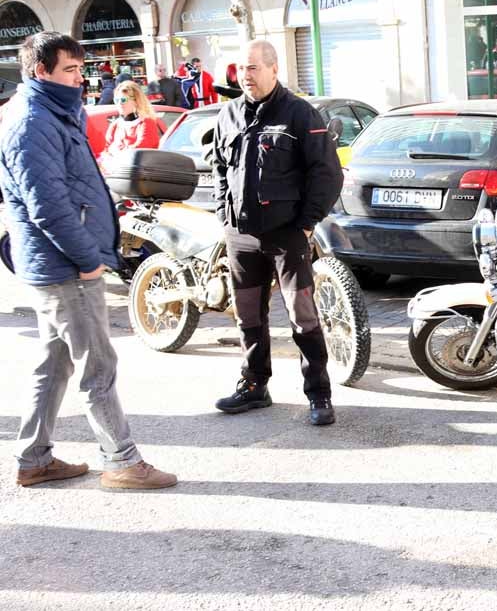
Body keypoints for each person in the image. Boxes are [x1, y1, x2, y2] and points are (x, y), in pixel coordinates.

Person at [0, 32, 176, 489]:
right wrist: (86, 259)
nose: (81, 79)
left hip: (57, 264)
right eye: (70, 70)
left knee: (54, 363)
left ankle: (33, 458)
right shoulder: (32, 121)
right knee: (97, 366)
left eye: (81, 69)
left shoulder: (51, 112)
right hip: (64, 267)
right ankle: (122, 461)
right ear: (40, 71)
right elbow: (48, 205)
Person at [208, 39, 343, 426]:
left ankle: (318, 394)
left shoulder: (300, 114)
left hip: (287, 236)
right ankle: (254, 386)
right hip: (241, 237)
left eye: (252, 68)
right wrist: (224, 213)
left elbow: (327, 174)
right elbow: (220, 168)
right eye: (241, 69)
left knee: (303, 318)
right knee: (247, 316)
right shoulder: (229, 114)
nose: (245, 76)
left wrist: (305, 222)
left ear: (273, 69)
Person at [98, 80, 161, 171]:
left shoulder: (146, 122)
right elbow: (104, 149)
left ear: (136, 101)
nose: (120, 104)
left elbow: (139, 151)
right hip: (115, 174)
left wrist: (116, 153)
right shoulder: (115, 124)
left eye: (123, 100)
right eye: (117, 100)